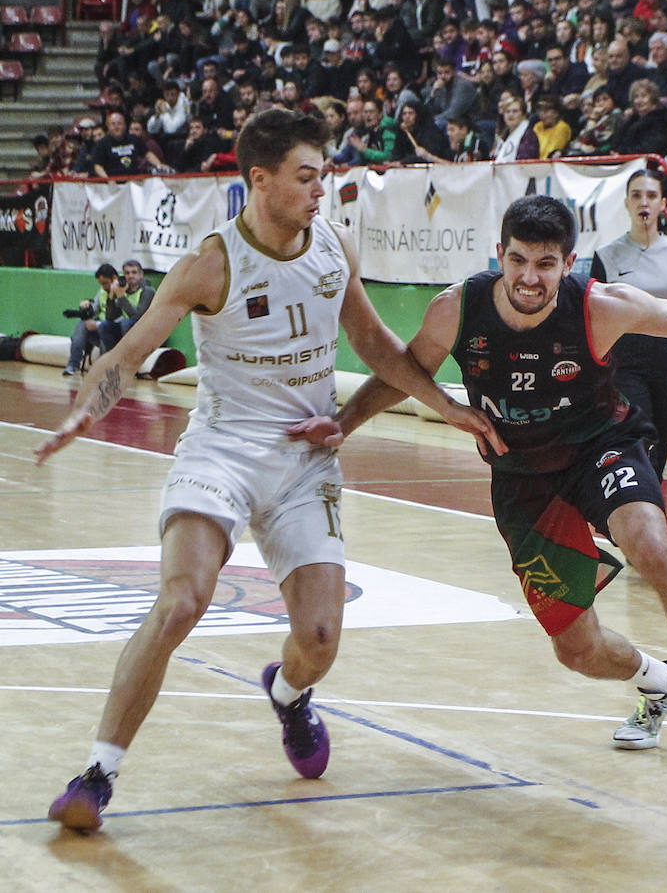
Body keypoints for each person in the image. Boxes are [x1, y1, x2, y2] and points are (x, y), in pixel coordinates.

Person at [39, 108, 504, 832]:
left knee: (319, 641)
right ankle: (98, 772)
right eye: (308, 175)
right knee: (181, 601)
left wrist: (445, 405)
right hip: (222, 448)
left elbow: (377, 346)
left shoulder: (332, 246)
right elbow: (127, 353)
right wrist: (81, 412)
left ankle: (287, 694)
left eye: (325, 174)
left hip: (304, 458)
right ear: (261, 180)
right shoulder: (211, 263)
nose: (323, 188)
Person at [296, 193, 667, 766]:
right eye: (518, 260)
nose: (529, 277)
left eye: (545, 264)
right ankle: (659, 683)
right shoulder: (457, 308)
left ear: (569, 264)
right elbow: (404, 371)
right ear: (499, 254)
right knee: (578, 650)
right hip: (523, 480)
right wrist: (345, 424)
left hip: (599, 447)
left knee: (651, 543)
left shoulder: (602, 307)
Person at [591, 169, 667, 478]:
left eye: (651, 195)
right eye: (636, 195)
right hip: (625, 359)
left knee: (663, 439)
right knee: (639, 434)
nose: (643, 202)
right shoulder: (607, 256)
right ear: (627, 204)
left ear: (662, 204)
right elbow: (593, 318)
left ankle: (651, 506)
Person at [62, 263, 120, 376]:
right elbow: (94, 310)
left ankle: (103, 367)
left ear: (114, 278)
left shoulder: (122, 291)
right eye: (101, 284)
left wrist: (98, 324)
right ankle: (73, 364)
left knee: (104, 328)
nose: (103, 287)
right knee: (82, 325)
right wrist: (86, 305)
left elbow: (119, 317)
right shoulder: (102, 291)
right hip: (102, 326)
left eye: (105, 283)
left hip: (115, 331)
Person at [97, 258, 157, 354]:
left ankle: (126, 359)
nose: (130, 276)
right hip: (125, 330)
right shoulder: (123, 289)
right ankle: (112, 358)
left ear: (141, 275)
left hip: (145, 331)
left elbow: (137, 317)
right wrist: (112, 296)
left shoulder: (147, 291)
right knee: (104, 326)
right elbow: (110, 317)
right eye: (127, 273)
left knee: (125, 323)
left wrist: (121, 297)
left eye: (134, 272)